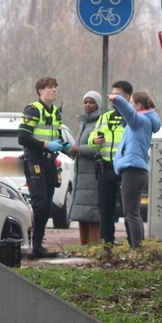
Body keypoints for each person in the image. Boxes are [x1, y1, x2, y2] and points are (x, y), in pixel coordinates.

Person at [18, 75, 70, 259]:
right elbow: (23, 138)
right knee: (39, 204)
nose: (54, 90)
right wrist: (47, 146)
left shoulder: (55, 112)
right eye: (50, 87)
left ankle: (38, 245)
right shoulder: (33, 110)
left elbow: (56, 136)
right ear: (41, 91)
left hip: (49, 163)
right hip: (35, 161)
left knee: (47, 206)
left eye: (55, 87)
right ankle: (32, 244)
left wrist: (65, 146)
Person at [108, 89, 161, 249]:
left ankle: (137, 249)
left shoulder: (140, 121)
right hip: (134, 170)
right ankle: (137, 248)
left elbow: (129, 113)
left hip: (133, 170)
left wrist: (117, 99)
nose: (130, 106)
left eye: (131, 102)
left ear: (138, 106)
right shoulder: (143, 121)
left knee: (131, 213)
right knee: (132, 212)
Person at [89, 80, 130, 246]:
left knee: (129, 210)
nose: (113, 98)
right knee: (105, 209)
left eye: (118, 95)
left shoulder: (131, 117)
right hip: (105, 168)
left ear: (127, 97)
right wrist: (95, 141)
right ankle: (107, 243)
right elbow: (91, 139)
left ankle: (133, 243)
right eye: (112, 95)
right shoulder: (105, 117)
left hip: (125, 170)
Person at [68, 90, 103, 245]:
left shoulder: (100, 123)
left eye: (91, 102)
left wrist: (78, 149)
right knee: (82, 213)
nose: (88, 105)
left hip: (93, 175)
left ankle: (94, 245)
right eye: (85, 102)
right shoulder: (83, 123)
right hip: (81, 175)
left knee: (92, 213)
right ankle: (84, 245)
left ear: (98, 105)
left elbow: (98, 147)